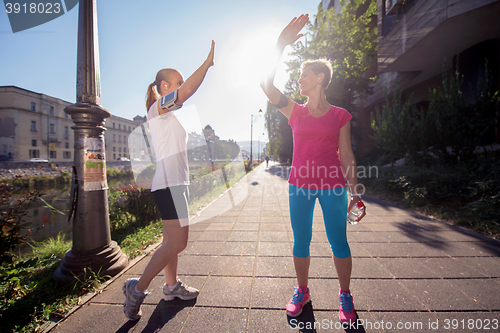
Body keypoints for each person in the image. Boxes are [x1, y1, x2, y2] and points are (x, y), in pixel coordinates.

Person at [260, 15, 366, 323]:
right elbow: (266, 84)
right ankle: (302, 291)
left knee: (339, 242)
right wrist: (280, 45)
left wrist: (355, 192)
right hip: (299, 186)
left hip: (333, 187)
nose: (300, 79)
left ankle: (345, 296)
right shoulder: (295, 111)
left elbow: (346, 155)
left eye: (305, 75)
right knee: (301, 241)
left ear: (320, 78)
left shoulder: (340, 115)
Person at [122, 40, 215, 321]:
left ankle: (171, 286)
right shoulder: (158, 109)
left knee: (170, 241)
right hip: (169, 186)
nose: (181, 85)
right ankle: (136, 290)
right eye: (177, 82)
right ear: (164, 86)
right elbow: (186, 92)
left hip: (176, 185)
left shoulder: (169, 115)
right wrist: (207, 64)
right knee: (177, 243)